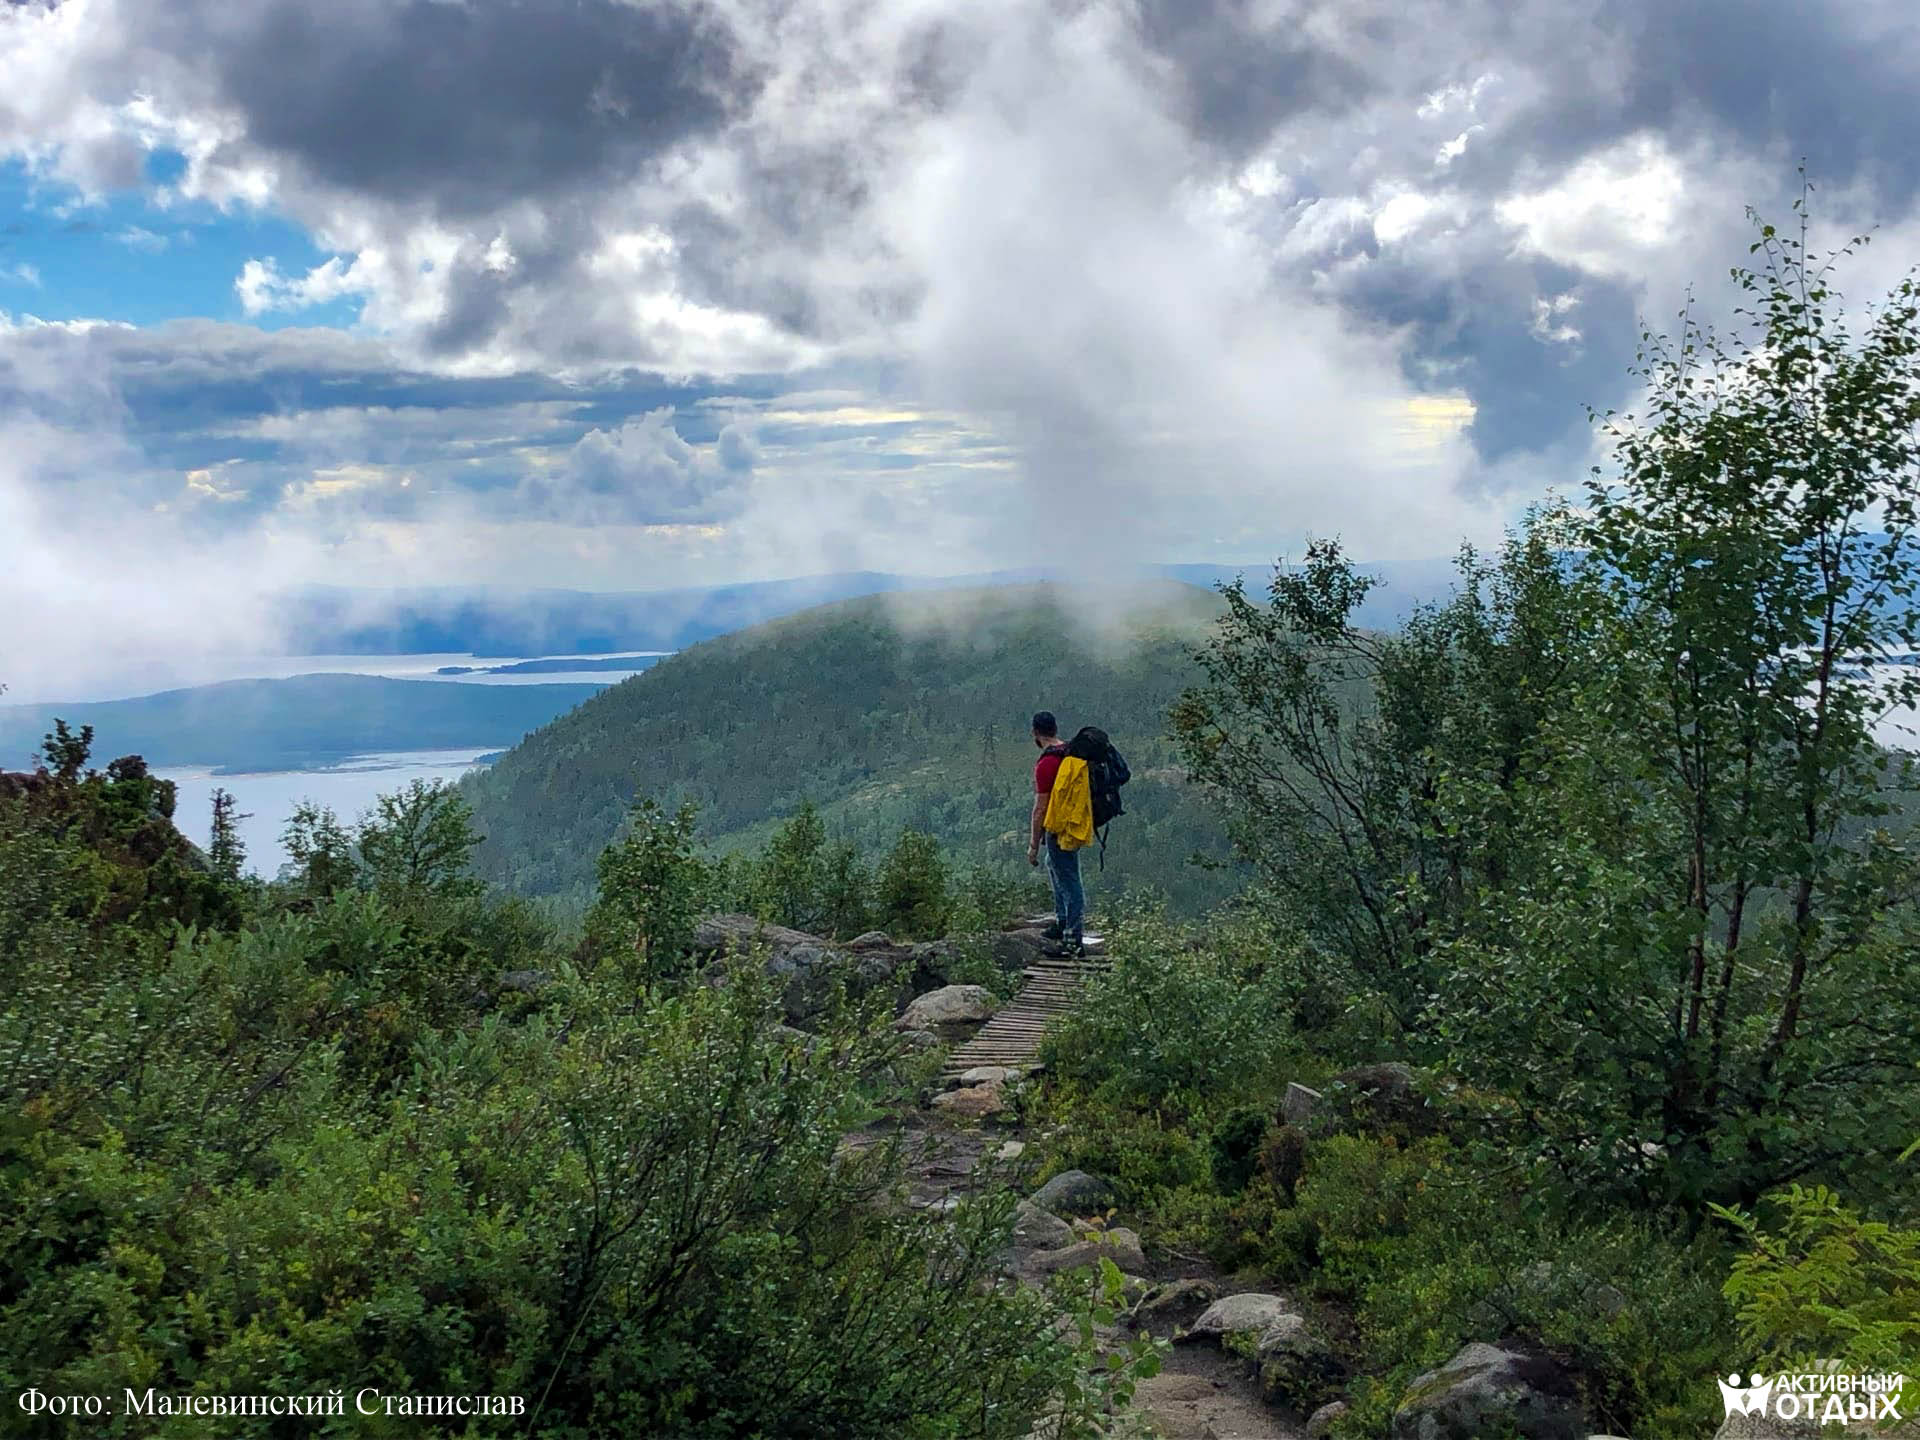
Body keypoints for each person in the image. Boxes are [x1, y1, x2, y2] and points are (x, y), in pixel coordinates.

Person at [1027, 710, 1084, 956]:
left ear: (1036, 733)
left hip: (1058, 827)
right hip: (1075, 822)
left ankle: (1073, 941)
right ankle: (1062, 923)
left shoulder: (1047, 764)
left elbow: (1040, 809)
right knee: (1056, 865)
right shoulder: (1070, 751)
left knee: (1070, 880)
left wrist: (1033, 844)